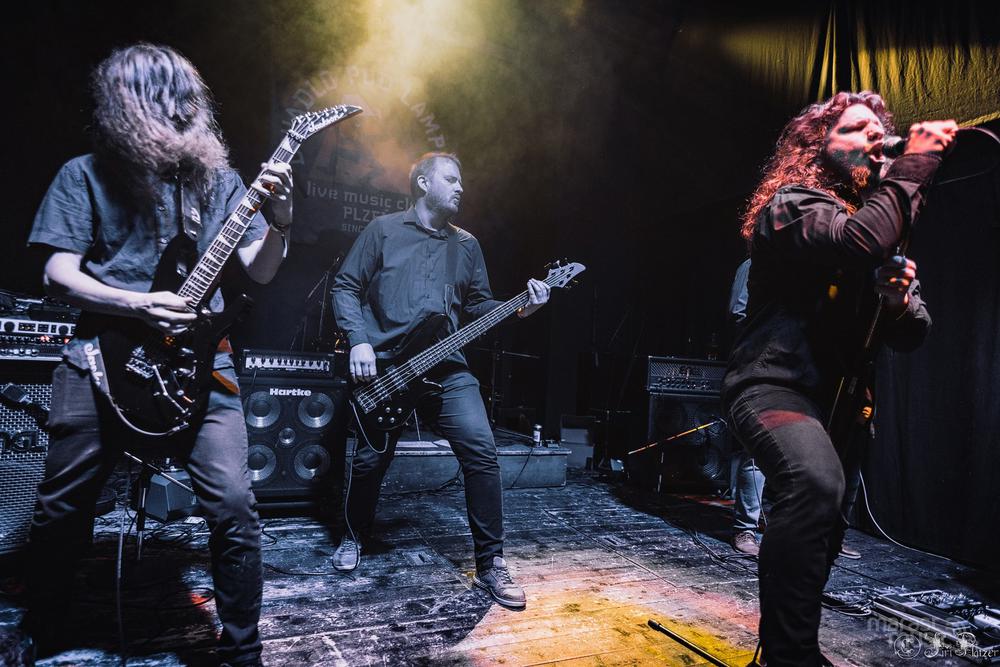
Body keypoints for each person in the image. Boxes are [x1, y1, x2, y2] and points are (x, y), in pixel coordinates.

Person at [21, 43, 294, 667]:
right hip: (102, 353)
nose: (184, 109)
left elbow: (261, 270)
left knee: (234, 505)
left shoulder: (220, 183)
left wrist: (281, 220)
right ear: (128, 104)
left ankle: (243, 649)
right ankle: (42, 627)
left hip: (202, 359)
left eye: (189, 97)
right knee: (62, 506)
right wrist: (136, 304)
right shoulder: (85, 174)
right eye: (167, 97)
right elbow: (58, 274)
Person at [722, 91, 955, 666]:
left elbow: (914, 330)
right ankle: (790, 655)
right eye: (855, 128)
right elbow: (856, 241)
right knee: (814, 484)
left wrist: (897, 302)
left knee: (825, 527)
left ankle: (789, 647)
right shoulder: (793, 204)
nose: (874, 135)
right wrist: (915, 163)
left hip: (844, 404)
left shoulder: (880, 229)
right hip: (775, 385)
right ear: (816, 146)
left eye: (879, 129)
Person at [330, 152, 550, 609]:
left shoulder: (467, 245)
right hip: (387, 365)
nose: (461, 187)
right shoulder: (383, 231)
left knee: (482, 450)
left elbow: (478, 307)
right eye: (451, 179)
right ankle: (353, 535)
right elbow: (345, 286)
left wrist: (522, 308)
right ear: (423, 183)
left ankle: (491, 562)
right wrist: (359, 341)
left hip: (446, 364)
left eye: (461, 180)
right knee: (371, 460)